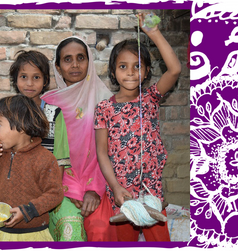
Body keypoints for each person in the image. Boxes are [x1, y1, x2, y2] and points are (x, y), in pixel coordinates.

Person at [94, 13, 181, 241]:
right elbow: (102, 153)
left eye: (137, 66)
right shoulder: (104, 108)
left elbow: (174, 70)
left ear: (147, 71)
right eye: (123, 66)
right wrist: (114, 187)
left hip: (151, 187)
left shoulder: (151, 97)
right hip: (122, 192)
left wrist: (153, 33)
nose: (131, 72)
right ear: (113, 72)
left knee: (159, 240)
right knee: (125, 242)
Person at [41, 36, 115, 241]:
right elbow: (42, 155)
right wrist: (67, 189)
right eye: (67, 59)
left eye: (81, 58)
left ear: (89, 62)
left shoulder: (105, 100)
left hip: (99, 184)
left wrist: (95, 190)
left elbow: (112, 152)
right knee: (70, 228)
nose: (74, 64)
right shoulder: (46, 103)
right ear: (57, 66)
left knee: (100, 231)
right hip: (58, 185)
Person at [0, 95, 64, 241]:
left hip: (33, 235)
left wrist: (28, 211)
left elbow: (55, 194)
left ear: (21, 125)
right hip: (0, 234)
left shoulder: (45, 158)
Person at [9, 50, 60, 153]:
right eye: (23, 77)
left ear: (45, 81)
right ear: (15, 79)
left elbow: (60, 154)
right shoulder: (7, 111)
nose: (29, 83)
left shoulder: (55, 113)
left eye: (36, 77)